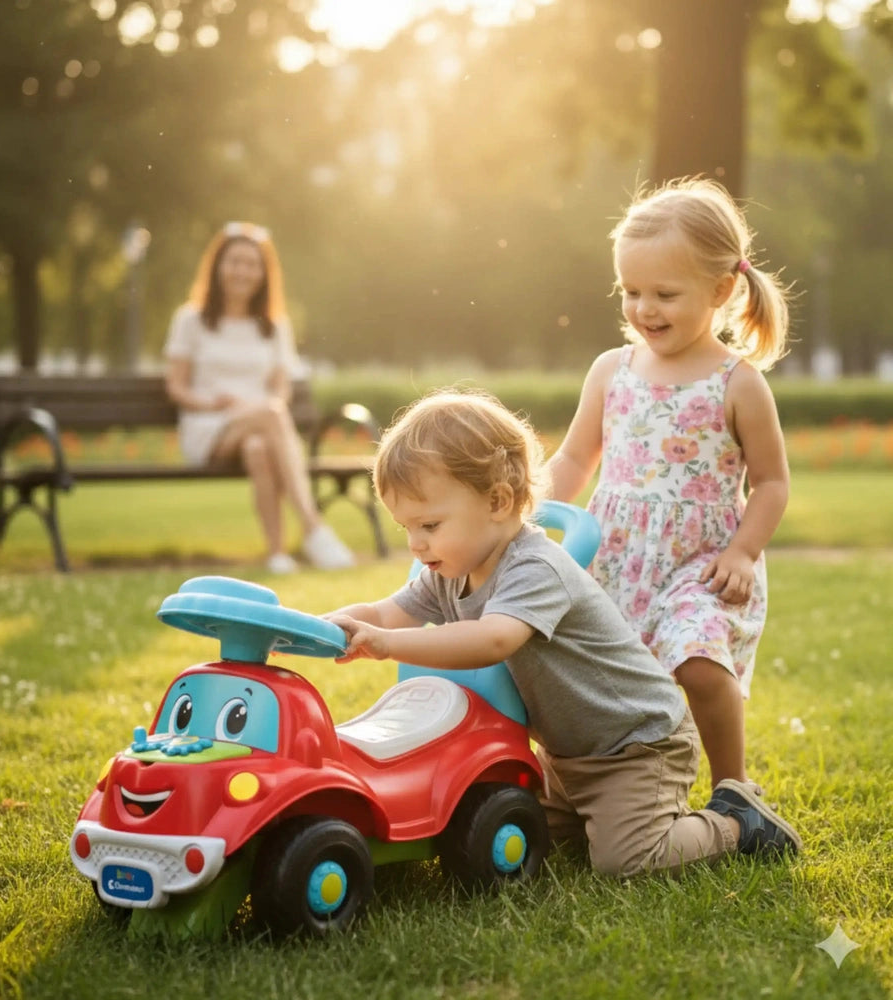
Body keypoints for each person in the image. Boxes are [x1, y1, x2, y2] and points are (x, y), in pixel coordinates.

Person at [326, 389, 800, 877]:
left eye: (429, 523)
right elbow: (385, 613)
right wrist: (325, 627)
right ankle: (587, 811)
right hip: (568, 754)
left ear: (497, 501)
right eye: (405, 527)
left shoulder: (535, 567)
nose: (416, 543)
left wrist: (385, 646)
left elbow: (493, 639)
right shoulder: (449, 570)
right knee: (509, 830)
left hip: (636, 743)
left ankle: (737, 823)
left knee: (626, 860)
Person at [546, 177, 792, 791]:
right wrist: (538, 513)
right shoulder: (612, 371)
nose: (644, 309)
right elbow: (577, 456)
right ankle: (587, 781)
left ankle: (733, 788)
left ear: (721, 289)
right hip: (619, 557)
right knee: (590, 674)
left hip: (703, 563)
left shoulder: (738, 382)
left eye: (664, 293)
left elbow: (772, 482)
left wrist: (743, 551)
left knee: (702, 662)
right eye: (630, 291)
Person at [164, 221, 355, 574]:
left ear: (264, 273)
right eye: (234, 261)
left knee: (258, 447)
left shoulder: (275, 325)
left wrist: (261, 409)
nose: (242, 271)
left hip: (260, 424)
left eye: (251, 264)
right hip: (209, 428)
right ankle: (314, 528)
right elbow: (175, 387)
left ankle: (277, 554)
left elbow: (280, 390)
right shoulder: (190, 320)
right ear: (218, 266)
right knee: (270, 416)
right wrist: (213, 403)